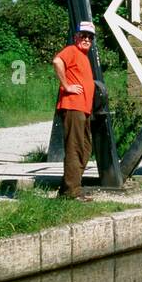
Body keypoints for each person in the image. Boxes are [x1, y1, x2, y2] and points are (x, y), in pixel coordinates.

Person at [53, 21, 96, 199]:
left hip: (83, 109)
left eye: (90, 37)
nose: (86, 39)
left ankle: (67, 188)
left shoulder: (83, 56)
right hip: (73, 106)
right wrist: (67, 86)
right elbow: (57, 61)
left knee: (85, 147)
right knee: (75, 148)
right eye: (83, 35)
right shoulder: (72, 50)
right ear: (76, 36)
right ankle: (72, 192)